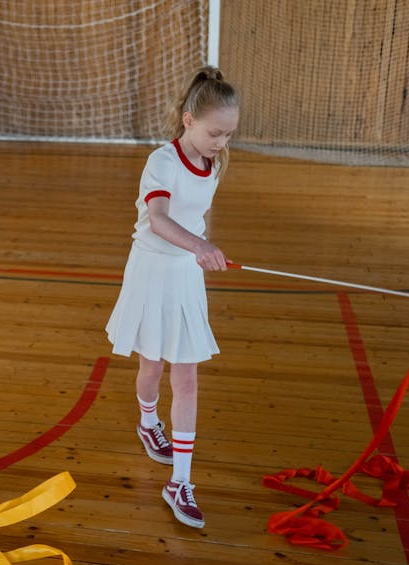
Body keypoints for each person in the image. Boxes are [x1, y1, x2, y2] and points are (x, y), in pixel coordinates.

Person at [105, 66, 239, 528]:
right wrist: (200, 245)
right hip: (151, 271)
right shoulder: (161, 162)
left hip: (185, 275)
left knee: (187, 377)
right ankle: (148, 422)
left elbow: (194, 215)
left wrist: (200, 251)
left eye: (228, 134)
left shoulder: (215, 163)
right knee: (152, 366)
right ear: (188, 120)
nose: (222, 143)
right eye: (215, 133)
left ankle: (179, 481)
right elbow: (160, 219)